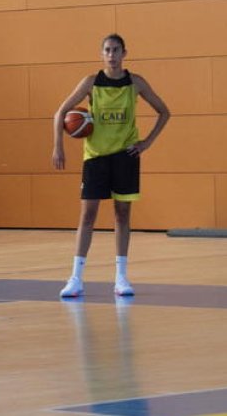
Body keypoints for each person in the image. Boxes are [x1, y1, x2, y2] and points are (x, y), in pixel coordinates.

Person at [51, 34, 170, 298]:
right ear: (101, 54)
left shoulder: (135, 83)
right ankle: (76, 278)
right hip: (95, 157)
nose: (112, 55)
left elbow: (165, 111)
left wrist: (146, 142)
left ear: (124, 53)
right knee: (87, 216)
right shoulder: (91, 83)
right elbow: (60, 113)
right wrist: (58, 146)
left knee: (122, 215)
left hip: (125, 156)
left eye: (116, 50)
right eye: (107, 50)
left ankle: (121, 278)